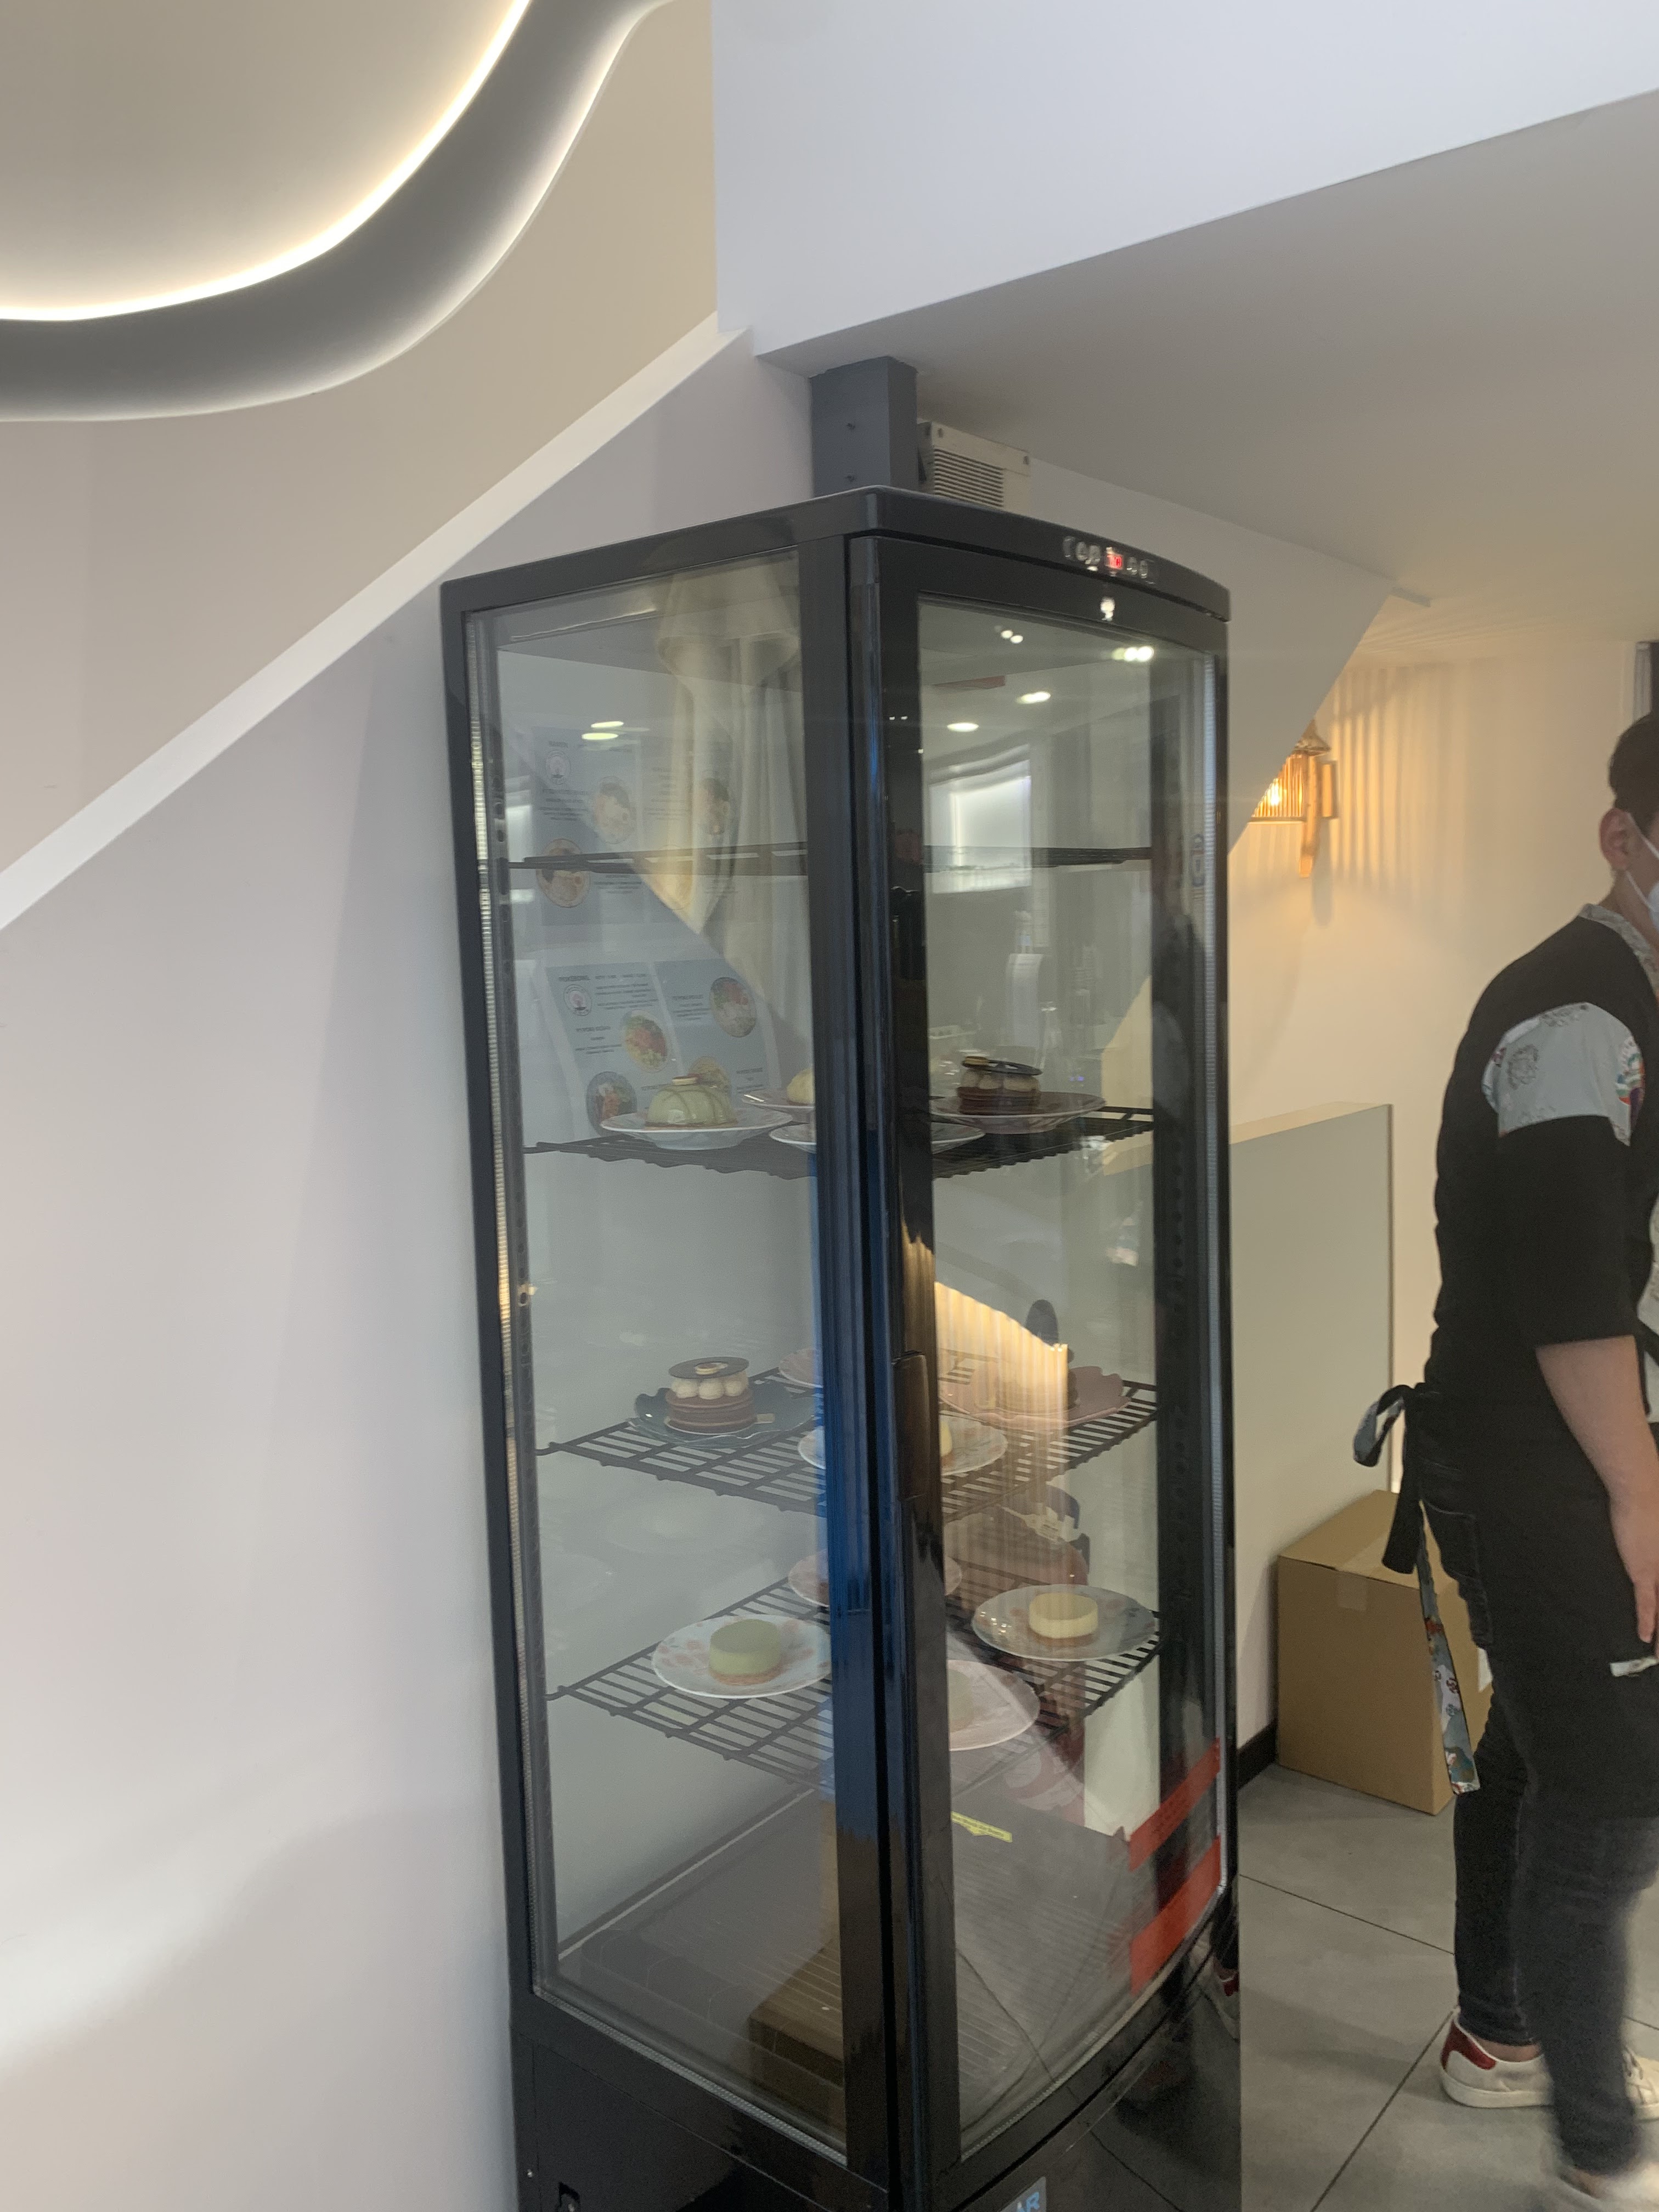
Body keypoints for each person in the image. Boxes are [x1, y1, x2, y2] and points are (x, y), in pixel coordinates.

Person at [1393, 713, 1659, 2207]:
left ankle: (1497, 2033)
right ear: (1623, 836)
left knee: (1538, 1743)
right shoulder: (1577, 1015)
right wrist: (1643, 1495)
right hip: (1529, 1453)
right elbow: (1569, 1297)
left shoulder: (1628, 997)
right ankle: (1599, 2150)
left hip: (1539, 1439)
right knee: (1615, 1794)